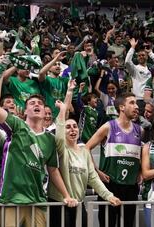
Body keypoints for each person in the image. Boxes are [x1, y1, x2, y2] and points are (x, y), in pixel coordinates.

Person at [0, 65, 77, 227]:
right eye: (32, 103)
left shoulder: (49, 139)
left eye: (40, 103)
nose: (36, 105)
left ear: (45, 112)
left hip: (37, 200)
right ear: (25, 110)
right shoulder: (17, 125)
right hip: (11, 198)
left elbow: (53, 170)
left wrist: (66, 195)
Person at [48, 79, 121, 227]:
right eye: (68, 127)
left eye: (75, 126)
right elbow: (60, 128)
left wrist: (109, 196)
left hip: (78, 203)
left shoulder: (84, 151)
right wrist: (67, 98)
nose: (72, 129)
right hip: (60, 203)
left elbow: (93, 178)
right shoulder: (61, 148)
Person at [86, 92, 142, 227]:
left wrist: (140, 172)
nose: (137, 107)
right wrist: (96, 171)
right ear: (122, 107)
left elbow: (142, 154)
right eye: (132, 103)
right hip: (110, 185)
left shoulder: (140, 130)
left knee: (129, 224)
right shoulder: (108, 126)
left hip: (131, 186)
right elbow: (86, 148)